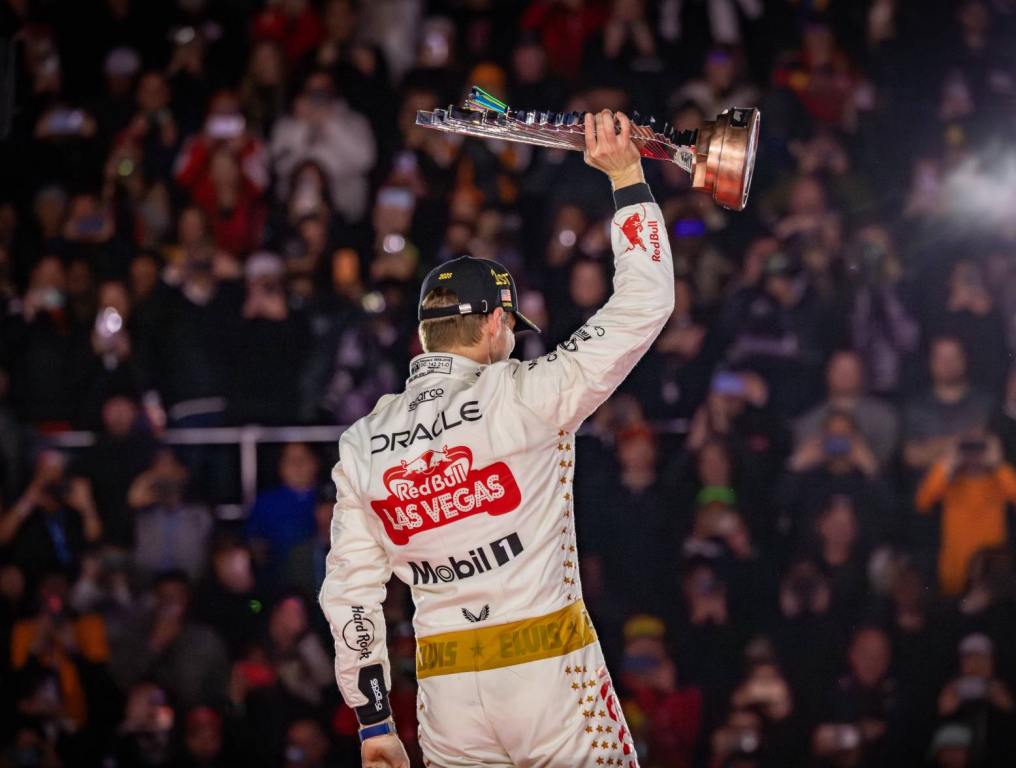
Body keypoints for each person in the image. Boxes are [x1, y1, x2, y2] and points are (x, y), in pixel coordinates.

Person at [319, 110, 674, 766]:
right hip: (547, 674)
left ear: (427, 336)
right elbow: (644, 305)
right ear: (491, 327)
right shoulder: (524, 392)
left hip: (448, 693)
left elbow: (349, 592)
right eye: (510, 327)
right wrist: (627, 178)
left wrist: (374, 722)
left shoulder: (362, 443)